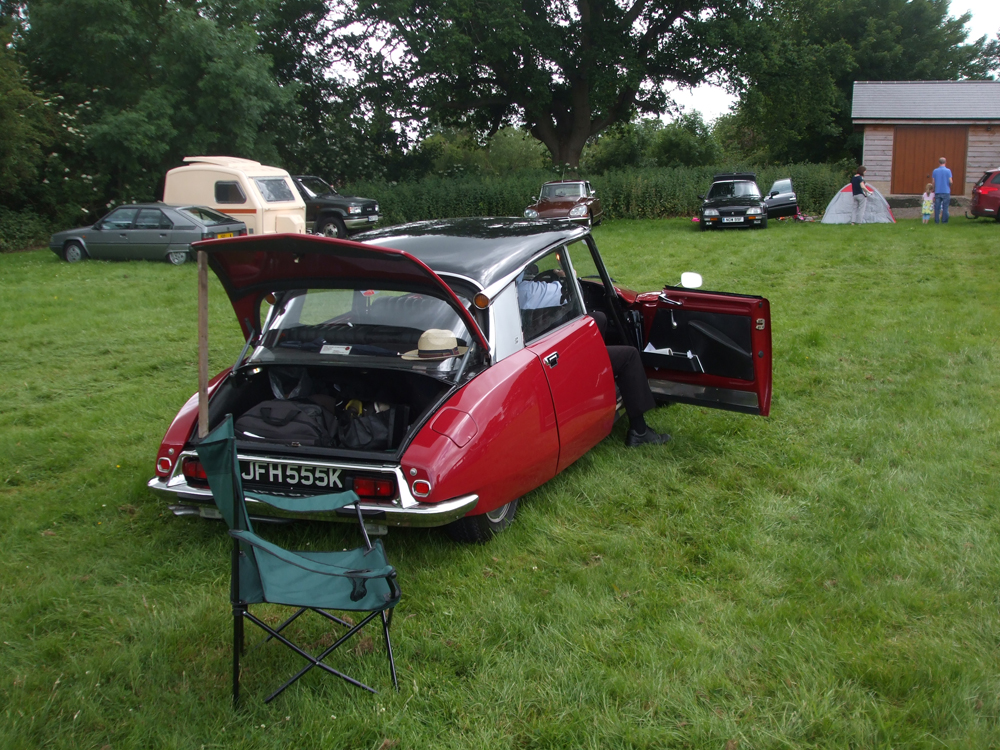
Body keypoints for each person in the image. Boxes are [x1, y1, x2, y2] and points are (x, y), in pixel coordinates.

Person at [516, 271, 670, 447]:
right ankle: (640, 431)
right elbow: (528, 294)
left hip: (541, 340)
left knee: (599, 318)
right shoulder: (518, 291)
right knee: (630, 356)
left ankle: (598, 380)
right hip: (547, 351)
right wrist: (565, 283)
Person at [932, 157, 953, 223]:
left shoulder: (935, 171)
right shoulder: (948, 171)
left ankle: (937, 221)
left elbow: (933, 182)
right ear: (945, 162)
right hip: (946, 191)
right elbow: (950, 181)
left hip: (938, 191)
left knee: (937, 207)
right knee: (945, 207)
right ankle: (944, 221)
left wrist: (933, 189)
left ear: (939, 162)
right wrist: (949, 185)